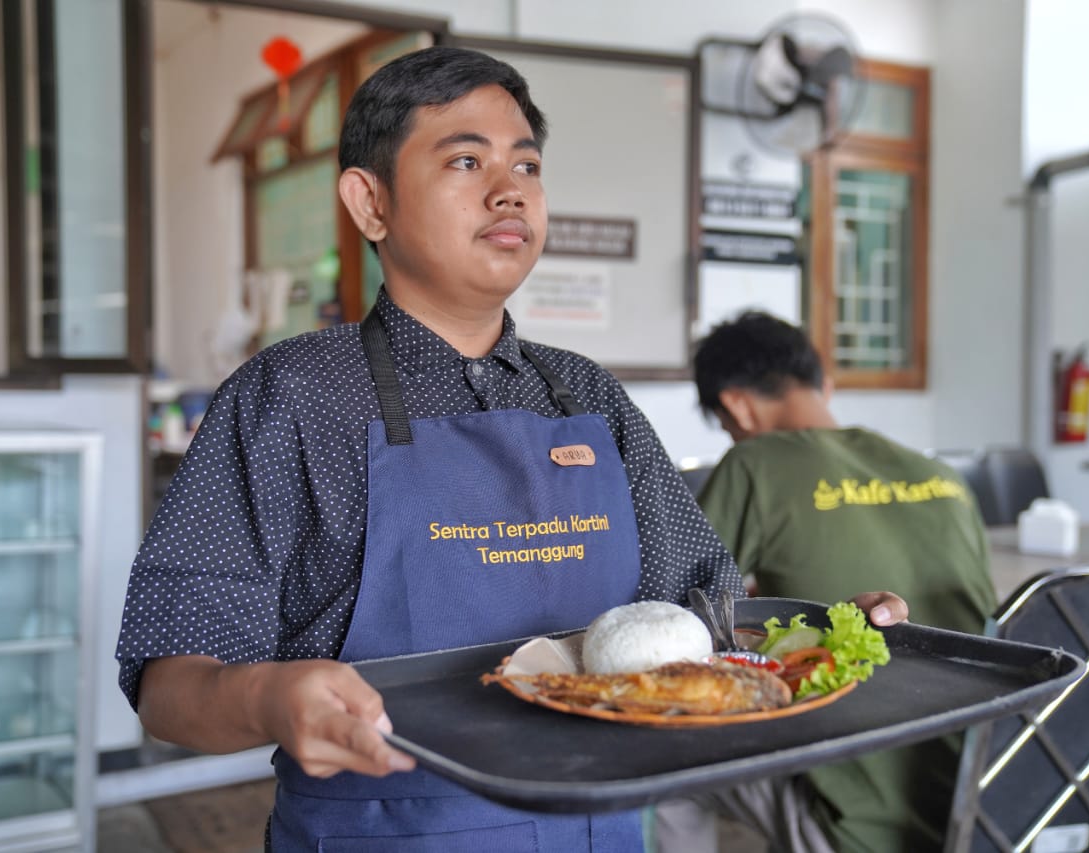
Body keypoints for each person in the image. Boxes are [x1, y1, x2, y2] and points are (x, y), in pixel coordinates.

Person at [115, 47, 908, 853]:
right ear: (370, 201)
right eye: (466, 159)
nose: (510, 189)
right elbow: (168, 687)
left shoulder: (587, 396)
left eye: (527, 165)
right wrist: (266, 697)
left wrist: (822, 634)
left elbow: (706, 619)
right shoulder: (289, 397)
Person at [655, 310, 997, 853]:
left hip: (858, 825)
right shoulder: (942, 476)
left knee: (662, 766)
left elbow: (671, 614)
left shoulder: (754, 463)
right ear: (824, 385)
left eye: (726, 423)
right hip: (985, 810)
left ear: (736, 404)